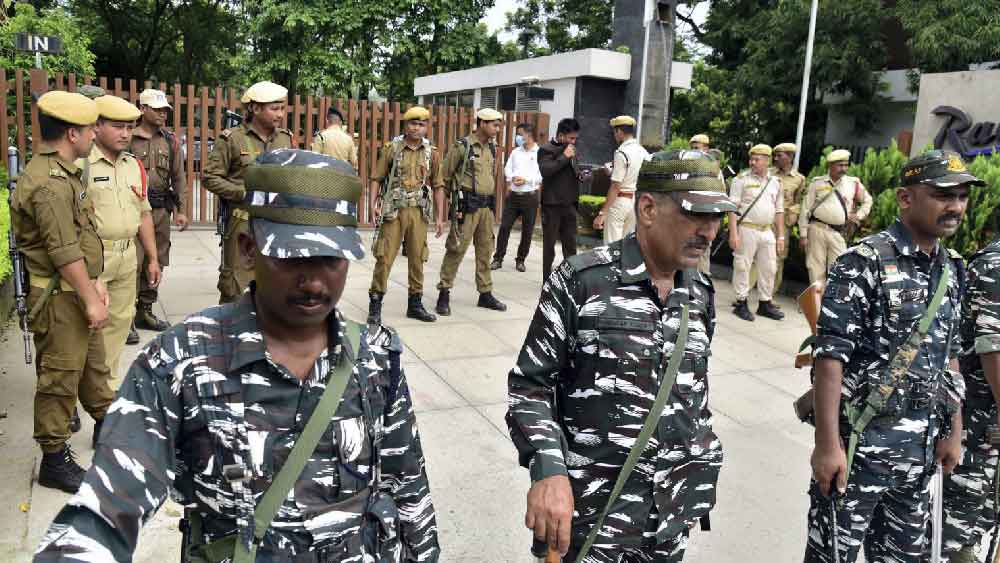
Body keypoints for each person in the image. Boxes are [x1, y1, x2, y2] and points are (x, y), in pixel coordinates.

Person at [34, 149, 440, 562]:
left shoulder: (375, 357)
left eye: (331, 261)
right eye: (293, 258)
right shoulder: (180, 362)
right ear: (248, 249)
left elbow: (409, 493)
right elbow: (106, 507)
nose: (315, 283)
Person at [508, 150, 733, 563]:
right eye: (696, 215)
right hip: (593, 520)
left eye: (717, 217)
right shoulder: (582, 281)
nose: (709, 230)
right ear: (647, 209)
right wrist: (549, 470)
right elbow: (529, 387)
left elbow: (693, 395)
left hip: (669, 517)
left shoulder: (699, 293)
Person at [803, 149, 978, 563]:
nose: (955, 206)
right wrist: (827, 445)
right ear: (905, 198)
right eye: (942, 195)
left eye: (962, 197)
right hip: (860, 449)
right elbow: (830, 358)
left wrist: (954, 430)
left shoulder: (952, 268)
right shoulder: (863, 262)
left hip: (920, 453)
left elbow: (951, 356)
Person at [10, 91, 110, 493]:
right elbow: (63, 251)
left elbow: (81, 236)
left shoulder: (64, 173)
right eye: (90, 129)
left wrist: (95, 283)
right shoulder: (49, 183)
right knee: (60, 378)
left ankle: (107, 425)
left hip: (76, 290)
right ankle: (54, 459)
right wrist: (90, 298)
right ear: (72, 134)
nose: (94, 135)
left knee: (93, 369)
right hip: (60, 297)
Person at [86, 94, 162, 383]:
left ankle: (106, 385)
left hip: (127, 255)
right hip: (94, 256)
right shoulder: (82, 165)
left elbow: (144, 214)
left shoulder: (133, 165)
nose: (125, 133)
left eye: (130, 127)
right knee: (86, 325)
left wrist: (152, 258)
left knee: (119, 322)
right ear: (97, 126)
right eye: (118, 126)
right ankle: (77, 390)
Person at [942, 210, 1000, 559]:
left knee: (982, 516)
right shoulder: (995, 266)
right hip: (977, 420)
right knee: (957, 525)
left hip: (989, 419)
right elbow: (992, 348)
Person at [203, 80, 293, 304]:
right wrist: (242, 194)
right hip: (242, 222)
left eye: (282, 108)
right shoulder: (232, 139)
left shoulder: (285, 138)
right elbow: (210, 177)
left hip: (276, 223)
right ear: (255, 108)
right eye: (274, 108)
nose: (280, 114)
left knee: (273, 283)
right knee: (235, 288)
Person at [368, 106, 444, 324]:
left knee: (418, 258)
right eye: (413, 123)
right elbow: (377, 178)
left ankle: (415, 304)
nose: (416, 128)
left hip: (418, 213)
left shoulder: (432, 153)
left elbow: (438, 185)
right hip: (394, 211)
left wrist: (440, 217)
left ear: (426, 127)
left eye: (421, 124)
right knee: (384, 257)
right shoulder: (392, 149)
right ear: (406, 125)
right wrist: (373, 204)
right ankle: (375, 304)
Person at [129, 88, 188, 341]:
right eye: (157, 109)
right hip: (133, 209)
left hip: (160, 209)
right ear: (143, 109)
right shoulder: (129, 139)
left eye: (165, 110)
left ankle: (145, 309)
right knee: (134, 261)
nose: (163, 114)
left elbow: (178, 177)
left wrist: (181, 210)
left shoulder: (170, 141)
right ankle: (127, 316)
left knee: (158, 259)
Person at [435, 108, 507, 316]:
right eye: (494, 124)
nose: (498, 129)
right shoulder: (463, 146)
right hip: (467, 207)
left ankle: (485, 293)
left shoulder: (491, 148)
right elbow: (444, 177)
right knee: (456, 249)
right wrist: (448, 208)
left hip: (486, 208)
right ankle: (444, 292)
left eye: (499, 125)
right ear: (482, 123)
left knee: (485, 250)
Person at [798, 149, 873, 283]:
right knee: (815, 268)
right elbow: (805, 209)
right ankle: (817, 297)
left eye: (846, 165)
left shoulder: (852, 183)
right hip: (817, 229)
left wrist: (859, 215)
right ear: (830, 166)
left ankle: (832, 296)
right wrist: (803, 234)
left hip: (839, 232)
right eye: (840, 165)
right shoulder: (817, 183)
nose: (843, 169)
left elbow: (868, 200)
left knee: (839, 269)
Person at [728, 144, 784, 322]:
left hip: (767, 231)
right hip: (747, 229)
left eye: (757, 159)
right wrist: (733, 233)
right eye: (751, 159)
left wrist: (781, 236)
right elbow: (732, 208)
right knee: (742, 265)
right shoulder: (741, 180)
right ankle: (741, 302)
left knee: (769, 268)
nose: (752, 162)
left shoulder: (775, 182)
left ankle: (765, 303)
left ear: (767, 161)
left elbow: (779, 210)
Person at [492, 122, 542, 272]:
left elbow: (541, 175)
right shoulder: (515, 152)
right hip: (513, 196)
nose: (517, 137)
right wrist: (512, 178)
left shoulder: (540, 153)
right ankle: (498, 258)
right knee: (504, 227)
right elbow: (507, 168)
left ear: (529, 134)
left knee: (527, 230)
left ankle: (521, 260)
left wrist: (526, 180)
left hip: (530, 197)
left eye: (520, 134)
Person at [538, 118, 582, 282]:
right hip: (552, 205)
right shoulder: (545, 149)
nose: (574, 141)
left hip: (570, 205)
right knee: (549, 246)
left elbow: (574, 171)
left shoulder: (572, 149)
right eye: (571, 138)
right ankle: (547, 280)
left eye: (576, 138)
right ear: (561, 135)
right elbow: (546, 171)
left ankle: (570, 281)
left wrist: (582, 175)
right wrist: (564, 156)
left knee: (570, 246)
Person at [594, 115, 649, 244]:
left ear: (619, 131)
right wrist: (612, 173)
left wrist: (602, 213)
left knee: (612, 246)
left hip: (620, 202)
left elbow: (615, 187)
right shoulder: (643, 152)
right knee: (626, 247)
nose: (614, 135)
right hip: (635, 202)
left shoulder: (621, 152)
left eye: (614, 131)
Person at [770, 142, 805, 297]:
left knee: (779, 256)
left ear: (790, 157)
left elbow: (799, 201)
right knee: (757, 254)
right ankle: (745, 292)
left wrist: (793, 214)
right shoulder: (769, 174)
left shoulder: (799, 179)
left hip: (783, 222)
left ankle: (770, 295)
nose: (776, 158)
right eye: (775, 155)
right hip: (766, 217)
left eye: (779, 155)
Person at [311, 105, 358, 170]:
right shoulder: (348, 139)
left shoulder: (321, 136)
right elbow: (354, 163)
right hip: (342, 174)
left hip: (326, 174)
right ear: (340, 122)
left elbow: (314, 159)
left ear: (327, 120)